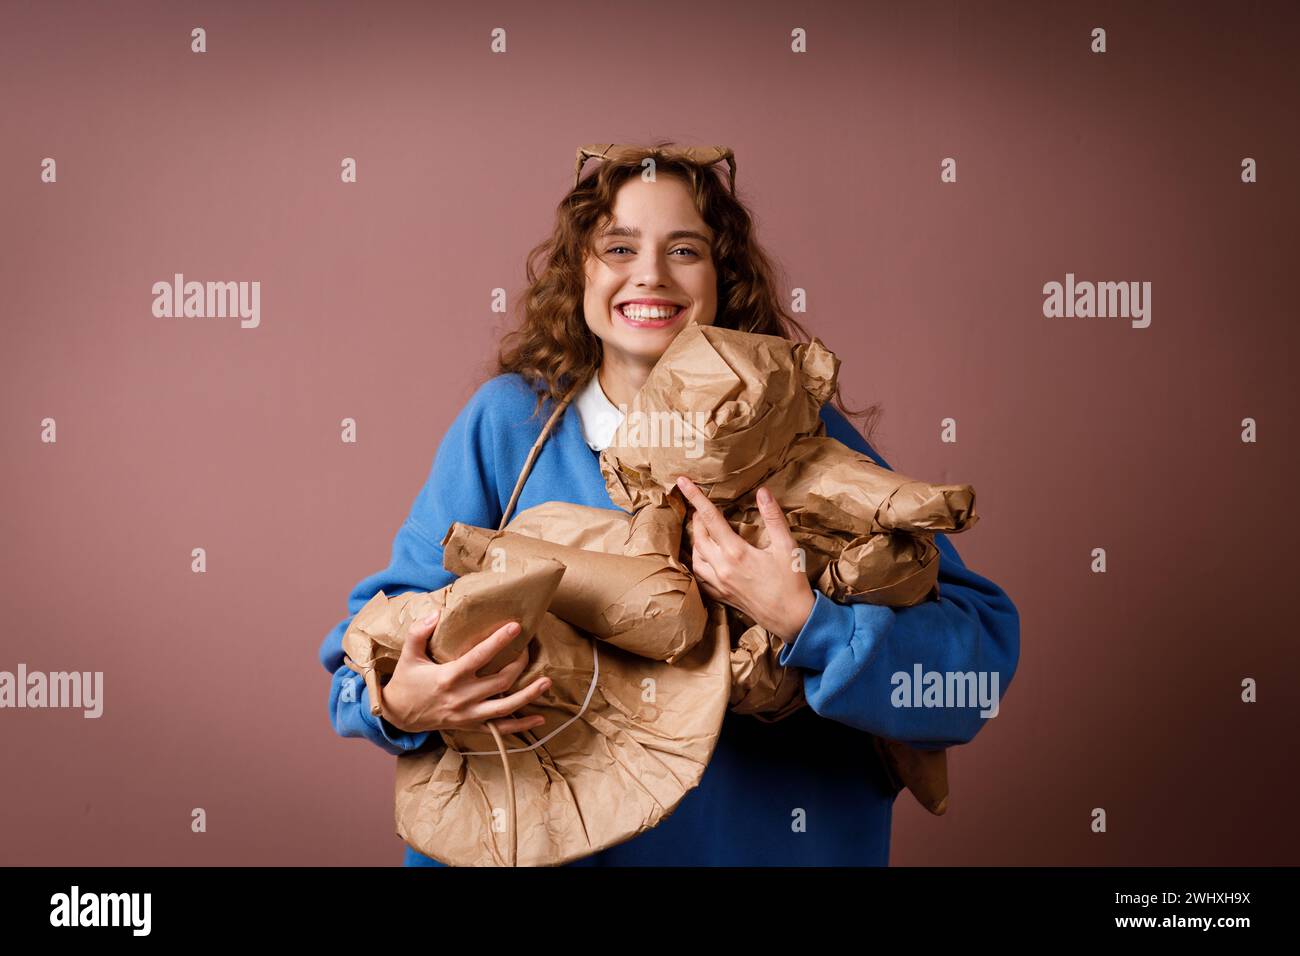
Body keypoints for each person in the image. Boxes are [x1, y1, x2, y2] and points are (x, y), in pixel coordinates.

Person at [318, 143, 1021, 866]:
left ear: (722, 278)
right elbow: (362, 660)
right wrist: (398, 705)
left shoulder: (795, 432)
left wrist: (802, 620)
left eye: (684, 249)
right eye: (618, 246)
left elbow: (969, 677)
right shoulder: (511, 427)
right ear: (580, 272)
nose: (649, 273)